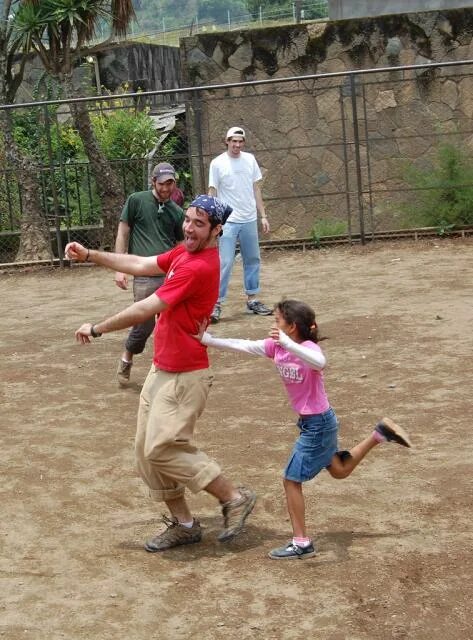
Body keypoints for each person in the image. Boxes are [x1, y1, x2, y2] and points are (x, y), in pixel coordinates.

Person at [64, 195, 256, 552]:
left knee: (162, 449)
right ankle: (184, 525)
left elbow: (146, 307)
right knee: (145, 451)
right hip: (162, 370)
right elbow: (139, 263)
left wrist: (97, 328)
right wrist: (91, 255)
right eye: (188, 220)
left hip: (186, 376)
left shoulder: (198, 266)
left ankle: (233, 496)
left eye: (199, 224)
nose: (189, 228)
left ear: (216, 230)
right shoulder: (184, 253)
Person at [197, 299, 411, 560]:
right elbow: (245, 345)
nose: (273, 324)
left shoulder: (307, 348)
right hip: (316, 423)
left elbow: (319, 362)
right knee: (340, 470)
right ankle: (380, 434)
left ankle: (302, 542)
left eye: (277, 320)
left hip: (318, 425)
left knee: (291, 479)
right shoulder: (276, 347)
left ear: (292, 326)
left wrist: (288, 344)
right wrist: (208, 339)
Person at [114, 161, 184, 386]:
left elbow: (181, 245)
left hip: (168, 273)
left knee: (173, 321)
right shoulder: (137, 200)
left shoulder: (176, 212)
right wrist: (120, 267)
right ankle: (127, 356)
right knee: (144, 322)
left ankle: (169, 367)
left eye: (170, 183)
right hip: (143, 272)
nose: (166, 188)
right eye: (162, 183)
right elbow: (123, 231)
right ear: (153, 181)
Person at [208, 126, 272, 323]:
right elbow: (212, 192)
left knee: (252, 258)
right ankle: (216, 304)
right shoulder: (217, 163)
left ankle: (252, 299)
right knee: (225, 262)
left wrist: (263, 215)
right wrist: (212, 221)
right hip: (227, 221)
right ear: (226, 141)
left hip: (249, 218)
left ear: (243, 143)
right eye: (233, 141)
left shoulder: (250, 159)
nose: (236, 145)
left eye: (240, 141)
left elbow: (256, 189)